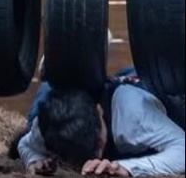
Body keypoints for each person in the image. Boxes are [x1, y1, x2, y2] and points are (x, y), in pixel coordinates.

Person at [12, 68, 185, 177]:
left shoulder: (135, 116)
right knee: (45, 95)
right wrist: (34, 160)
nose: (95, 158)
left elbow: (182, 150)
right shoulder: (49, 126)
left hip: (144, 86)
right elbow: (25, 144)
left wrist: (128, 168)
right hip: (76, 90)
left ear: (99, 111)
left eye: (98, 146)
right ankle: (53, 67)